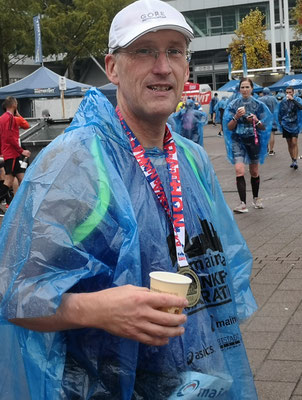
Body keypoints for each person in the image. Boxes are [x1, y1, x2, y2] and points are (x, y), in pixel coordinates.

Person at [0, 1, 258, 399]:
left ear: (186, 68)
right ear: (113, 68)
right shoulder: (78, 162)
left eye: (174, 51)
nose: (162, 66)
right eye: (144, 51)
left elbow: (225, 269)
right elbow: (14, 292)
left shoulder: (192, 158)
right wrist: (99, 310)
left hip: (197, 380)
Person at [223, 77, 272, 213]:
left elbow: (264, 126)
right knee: (239, 170)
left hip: (253, 140)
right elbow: (229, 126)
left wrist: (255, 121)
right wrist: (236, 117)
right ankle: (242, 203)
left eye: (247, 87)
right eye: (242, 87)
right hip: (237, 140)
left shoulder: (258, 105)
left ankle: (256, 198)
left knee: (254, 171)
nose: (244, 90)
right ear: (239, 89)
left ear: (252, 89)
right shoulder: (233, 105)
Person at [0, 96, 31, 205]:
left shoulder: (2, 118)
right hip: (12, 153)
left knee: (22, 178)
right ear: (14, 105)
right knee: (8, 181)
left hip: (9, 153)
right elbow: (10, 137)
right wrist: (21, 150)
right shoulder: (11, 118)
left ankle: (23, 203)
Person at [277, 86, 302, 170]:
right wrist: (280, 123)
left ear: (293, 92)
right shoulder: (283, 102)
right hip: (285, 124)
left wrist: (292, 100)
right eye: (287, 92)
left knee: (294, 142)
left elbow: (301, 107)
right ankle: (293, 159)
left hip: (294, 124)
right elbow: (279, 113)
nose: (288, 94)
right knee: (289, 143)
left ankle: (295, 160)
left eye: (290, 92)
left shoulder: (296, 100)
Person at [258, 87, 278, 155]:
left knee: (264, 135)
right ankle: (271, 150)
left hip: (263, 119)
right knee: (272, 134)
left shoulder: (260, 99)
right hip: (272, 118)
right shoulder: (273, 98)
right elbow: (277, 107)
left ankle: (265, 149)